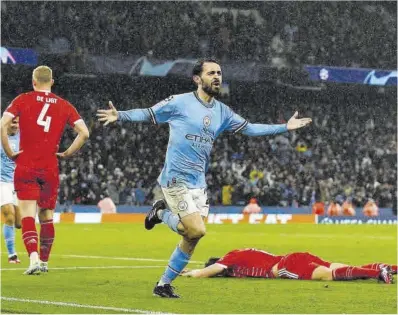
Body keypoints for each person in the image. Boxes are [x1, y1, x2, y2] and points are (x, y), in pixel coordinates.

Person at [97, 58, 312, 298]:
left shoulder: (222, 112)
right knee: (197, 229)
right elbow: (149, 113)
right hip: (175, 178)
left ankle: (163, 284)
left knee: (191, 237)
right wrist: (121, 115)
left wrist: (285, 127)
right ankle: (160, 213)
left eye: (219, 72)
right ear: (198, 79)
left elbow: (251, 129)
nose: (217, 77)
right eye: (211, 73)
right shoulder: (180, 102)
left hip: (198, 183)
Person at [1, 65, 90, 275]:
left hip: (26, 164)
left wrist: (9, 152)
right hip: (49, 166)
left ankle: (32, 259)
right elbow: (84, 133)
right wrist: (67, 153)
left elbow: (3, 124)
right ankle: (44, 261)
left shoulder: (23, 99)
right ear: (52, 82)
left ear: (33, 82)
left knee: (28, 214)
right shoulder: (64, 105)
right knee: (47, 215)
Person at [181, 248, 396, 284]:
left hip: (284, 266)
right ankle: (390, 267)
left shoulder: (231, 258)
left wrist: (195, 273)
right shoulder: (243, 253)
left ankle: (379, 273)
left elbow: (215, 269)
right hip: (295, 256)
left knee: (329, 276)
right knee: (342, 267)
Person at [1, 117, 21, 263]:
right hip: (2, 182)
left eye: (18, 122)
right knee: (9, 215)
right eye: (13, 122)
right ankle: (12, 255)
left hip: (18, 183)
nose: (16, 125)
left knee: (19, 223)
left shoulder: (23, 138)